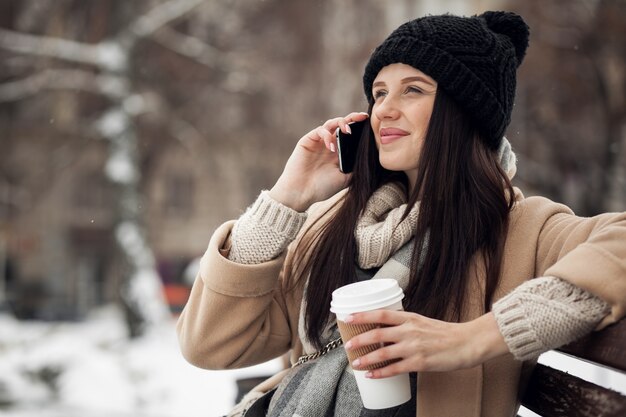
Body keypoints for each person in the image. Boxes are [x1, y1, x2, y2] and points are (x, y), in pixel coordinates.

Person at [176, 11, 626, 417]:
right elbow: (209, 346)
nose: (383, 110)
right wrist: (287, 198)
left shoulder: (521, 228)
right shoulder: (334, 228)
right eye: (378, 92)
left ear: (465, 112)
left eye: (413, 89)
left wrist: (475, 339)